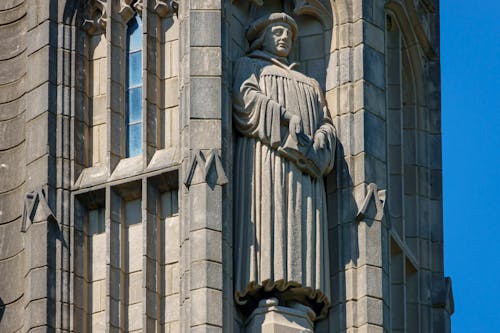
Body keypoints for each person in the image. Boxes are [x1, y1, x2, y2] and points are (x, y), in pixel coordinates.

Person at [232, 13, 336, 319]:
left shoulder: (311, 84)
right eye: (277, 32)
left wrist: (321, 140)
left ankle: (300, 297)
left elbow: (327, 122)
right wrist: (283, 117)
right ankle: (267, 293)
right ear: (263, 37)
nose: (284, 38)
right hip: (268, 164)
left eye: (289, 34)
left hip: (306, 172)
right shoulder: (250, 67)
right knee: (272, 219)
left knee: (300, 228)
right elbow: (245, 101)